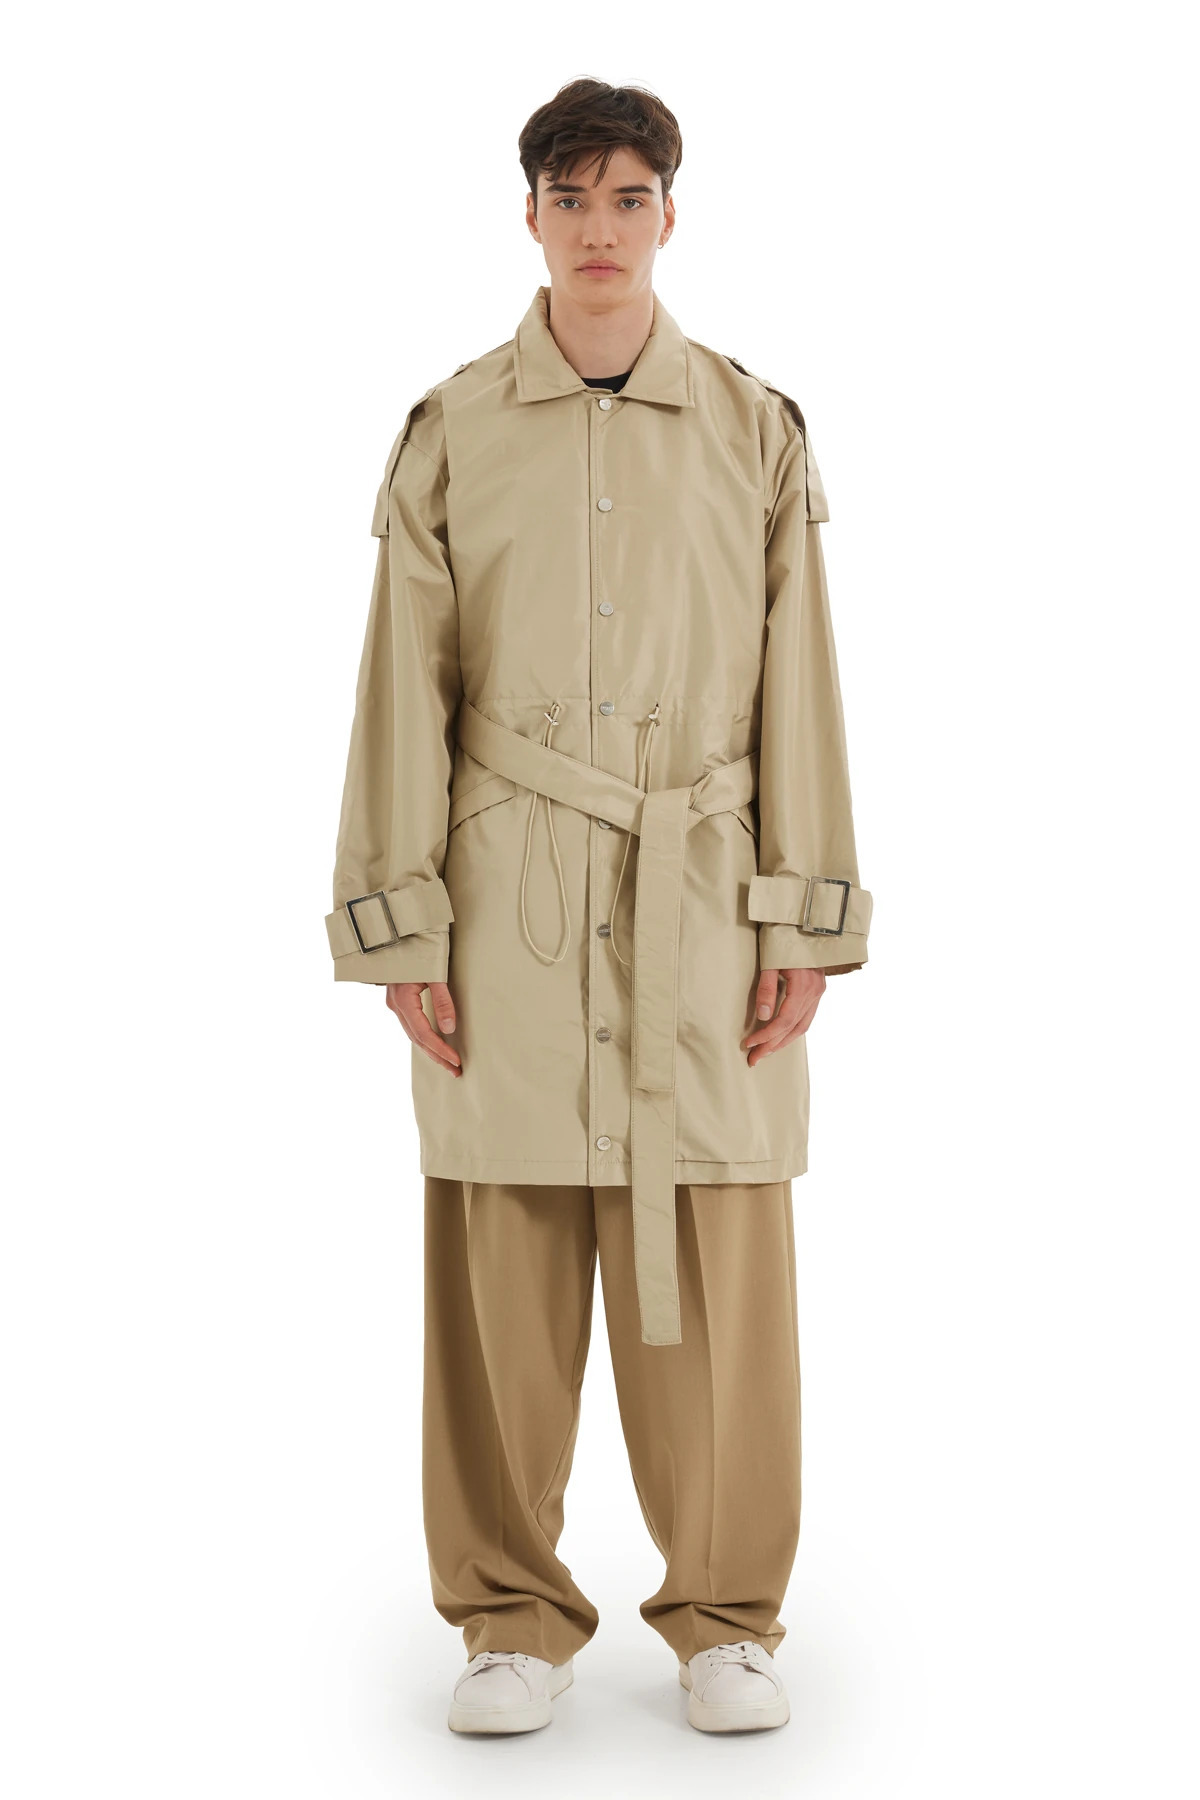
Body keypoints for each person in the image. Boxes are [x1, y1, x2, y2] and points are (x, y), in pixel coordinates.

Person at [325, 77, 872, 1736]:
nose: (600, 229)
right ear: (531, 217)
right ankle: (508, 1615)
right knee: (502, 1255)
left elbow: (800, 680)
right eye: (571, 198)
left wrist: (805, 920)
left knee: (723, 1252)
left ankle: (727, 1617)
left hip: (707, 897)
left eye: (630, 197)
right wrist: (400, 921)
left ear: (670, 216)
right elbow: (402, 689)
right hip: (510, 899)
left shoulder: (752, 428)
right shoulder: (452, 430)